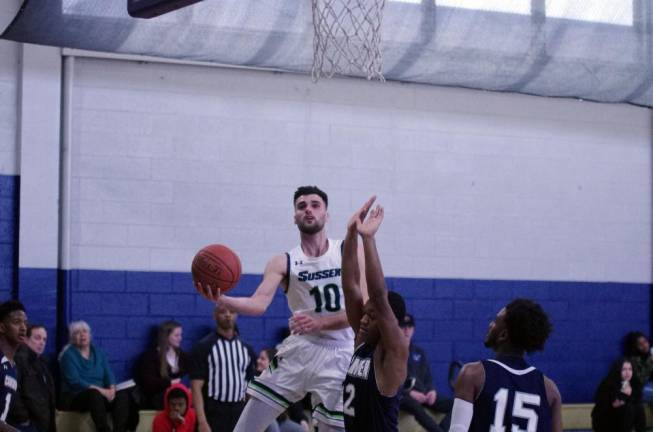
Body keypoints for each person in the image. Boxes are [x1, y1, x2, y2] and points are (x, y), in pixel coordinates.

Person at [198, 185, 366, 432]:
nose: (308, 210)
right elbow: (258, 304)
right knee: (246, 426)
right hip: (300, 349)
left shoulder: (348, 250)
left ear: (326, 214)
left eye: (315, 205)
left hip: (340, 353)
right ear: (294, 216)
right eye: (301, 206)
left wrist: (321, 323)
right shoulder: (283, 261)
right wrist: (222, 300)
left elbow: (363, 309)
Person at [341, 196, 409, 431]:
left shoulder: (393, 352)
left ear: (388, 323)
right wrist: (350, 235)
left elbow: (379, 297)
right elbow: (350, 287)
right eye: (365, 314)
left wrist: (368, 239)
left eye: (372, 316)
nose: (363, 319)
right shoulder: (363, 341)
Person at [450, 298, 562, 432]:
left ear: (503, 335)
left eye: (495, 321)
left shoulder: (473, 374)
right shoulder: (550, 390)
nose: (490, 324)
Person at [58, 320, 137, 432]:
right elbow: (74, 381)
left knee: (122, 395)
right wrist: (102, 391)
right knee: (94, 394)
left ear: (90, 335)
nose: (82, 335)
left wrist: (112, 388)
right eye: (77, 332)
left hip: (100, 396)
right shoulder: (68, 355)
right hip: (77, 396)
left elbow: (108, 373)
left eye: (85, 331)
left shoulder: (98, 352)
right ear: (72, 337)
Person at [189, 303, 256, 432]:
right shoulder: (203, 347)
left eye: (232, 311)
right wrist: (202, 421)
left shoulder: (247, 349)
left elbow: (250, 387)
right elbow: (196, 387)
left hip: (238, 410)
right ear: (214, 316)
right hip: (213, 411)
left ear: (237, 315)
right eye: (222, 312)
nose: (228, 315)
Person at [399, 313, 452, 432]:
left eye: (410, 326)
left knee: (455, 405)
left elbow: (427, 377)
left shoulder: (419, 352)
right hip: (404, 397)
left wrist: (431, 391)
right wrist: (409, 393)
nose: (406, 330)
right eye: (403, 326)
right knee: (415, 407)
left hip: (424, 395)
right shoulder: (391, 352)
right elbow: (389, 383)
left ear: (413, 329)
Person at [7, 324, 56, 432]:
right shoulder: (19, 359)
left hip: (42, 424)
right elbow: (12, 390)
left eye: (44, 339)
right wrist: (23, 418)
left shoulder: (42, 363)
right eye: (37, 338)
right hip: (26, 426)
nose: (42, 342)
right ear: (25, 339)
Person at [135, 320, 189, 410]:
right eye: (176, 335)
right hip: (159, 396)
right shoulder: (151, 356)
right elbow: (148, 384)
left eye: (181, 335)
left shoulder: (182, 356)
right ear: (166, 337)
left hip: (180, 394)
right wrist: (170, 383)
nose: (180, 338)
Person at [255, 348, 310, 432]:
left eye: (262, 359)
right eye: (259, 358)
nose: (258, 361)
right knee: (274, 428)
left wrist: (302, 419)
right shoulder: (255, 379)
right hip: (259, 420)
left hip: (280, 420)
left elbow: (294, 404)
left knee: (300, 430)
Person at [591, 358, 640, 432]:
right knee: (627, 408)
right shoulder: (608, 383)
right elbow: (614, 404)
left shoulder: (634, 383)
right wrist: (625, 394)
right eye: (624, 369)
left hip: (621, 418)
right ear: (618, 370)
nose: (628, 372)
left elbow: (637, 399)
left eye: (630, 369)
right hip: (605, 418)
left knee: (639, 407)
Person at [0, 301, 27, 432]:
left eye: (25, 322)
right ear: (2, 327)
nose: (23, 327)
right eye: (17, 322)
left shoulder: (14, 367)